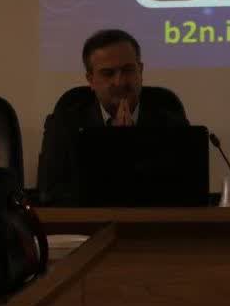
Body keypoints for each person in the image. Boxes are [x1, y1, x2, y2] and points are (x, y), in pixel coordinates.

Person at [37, 29, 188, 205]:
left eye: (128, 70)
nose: (119, 81)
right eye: (108, 73)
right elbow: (50, 194)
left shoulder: (172, 122)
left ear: (140, 71)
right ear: (91, 80)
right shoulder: (64, 124)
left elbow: (185, 190)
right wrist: (113, 148)